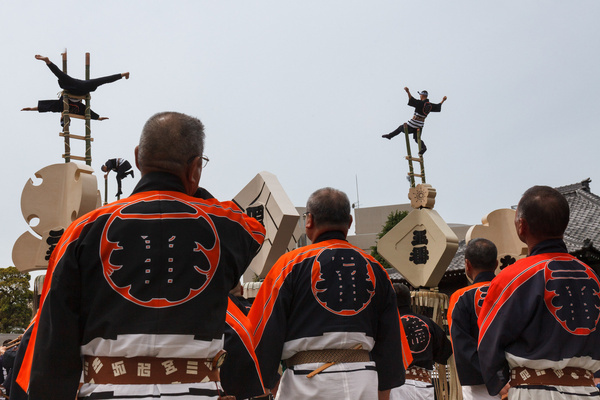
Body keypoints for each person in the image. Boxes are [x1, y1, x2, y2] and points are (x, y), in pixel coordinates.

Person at [27, 111, 266, 400]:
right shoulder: (227, 227)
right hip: (196, 393)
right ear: (195, 167)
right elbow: (252, 228)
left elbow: (54, 343)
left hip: (107, 391)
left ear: (138, 158)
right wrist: (192, 190)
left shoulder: (81, 232)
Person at [249, 187, 408, 400]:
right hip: (364, 379)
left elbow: (261, 334)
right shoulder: (376, 269)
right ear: (349, 222)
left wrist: (267, 384)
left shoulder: (289, 265)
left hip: (306, 382)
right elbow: (390, 342)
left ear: (309, 220)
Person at [478, 186, 600, 399]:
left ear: (522, 226)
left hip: (534, 390)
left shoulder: (512, 277)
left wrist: (499, 381)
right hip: (587, 390)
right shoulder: (592, 276)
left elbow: (489, 339)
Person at [447, 238, 503, 400]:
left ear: (467, 264)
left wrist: (495, 378)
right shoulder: (511, 291)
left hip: (480, 385)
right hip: (516, 379)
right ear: (496, 264)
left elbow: (462, 345)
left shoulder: (460, 297)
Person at [390, 283, 453, 400]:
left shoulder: (385, 325)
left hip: (394, 385)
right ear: (410, 300)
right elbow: (445, 352)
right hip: (422, 386)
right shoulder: (428, 323)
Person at [381, 87, 447, 156]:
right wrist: (443, 100)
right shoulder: (430, 105)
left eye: (420, 95)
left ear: (422, 95)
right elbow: (438, 106)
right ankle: (424, 147)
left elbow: (411, 99)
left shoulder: (420, 103)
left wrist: (408, 91)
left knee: (401, 128)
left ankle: (390, 136)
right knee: (417, 139)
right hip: (420, 125)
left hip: (413, 123)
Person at [35, 54, 129, 96]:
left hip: (78, 85)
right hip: (83, 86)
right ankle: (123, 74)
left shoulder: (67, 99)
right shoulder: (70, 95)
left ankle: (47, 61)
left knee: (60, 74)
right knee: (103, 80)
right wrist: (98, 118)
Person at [22, 97, 108, 121]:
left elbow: (45, 107)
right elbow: (89, 112)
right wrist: (98, 118)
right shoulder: (79, 109)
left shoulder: (60, 106)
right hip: (75, 97)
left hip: (70, 95)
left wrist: (30, 109)